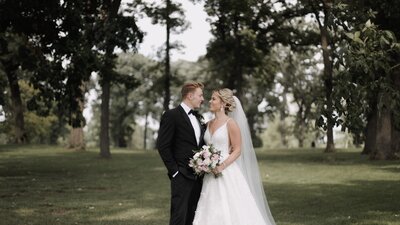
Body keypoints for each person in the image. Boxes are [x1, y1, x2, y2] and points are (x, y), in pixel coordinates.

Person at [193, 88, 276, 225]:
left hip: (227, 171)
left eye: (213, 99)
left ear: (223, 103)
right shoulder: (207, 124)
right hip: (209, 173)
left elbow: (237, 150)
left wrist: (221, 166)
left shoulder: (230, 124)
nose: (209, 101)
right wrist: (203, 160)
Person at [156, 81, 206, 225]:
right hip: (181, 175)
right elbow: (163, 146)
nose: (203, 99)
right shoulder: (171, 115)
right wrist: (175, 172)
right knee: (179, 216)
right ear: (190, 96)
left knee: (193, 215)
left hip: (198, 176)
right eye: (200, 95)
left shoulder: (197, 117)